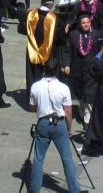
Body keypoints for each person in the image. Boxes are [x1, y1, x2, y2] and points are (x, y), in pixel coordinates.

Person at [28, 58, 81, 193]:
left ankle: (35, 189)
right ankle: (75, 190)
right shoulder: (63, 88)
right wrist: (69, 129)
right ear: (57, 71)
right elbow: (68, 112)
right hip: (59, 124)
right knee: (67, 158)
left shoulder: (35, 86)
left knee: (39, 158)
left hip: (43, 123)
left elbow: (33, 107)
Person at [18, 0, 65, 103]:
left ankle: (33, 99)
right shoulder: (55, 18)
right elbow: (60, 37)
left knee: (33, 73)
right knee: (48, 73)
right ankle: (47, 100)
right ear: (52, 4)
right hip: (50, 53)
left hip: (32, 50)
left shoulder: (30, 15)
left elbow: (21, 29)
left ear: (41, 2)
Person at [62, 13, 101, 129]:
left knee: (89, 96)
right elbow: (68, 51)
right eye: (84, 23)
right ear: (79, 24)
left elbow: (101, 51)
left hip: (91, 70)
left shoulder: (96, 35)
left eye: (88, 22)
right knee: (80, 96)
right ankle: (83, 114)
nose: (86, 25)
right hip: (78, 69)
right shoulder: (74, 35)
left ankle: (87, 121)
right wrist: (67, 65)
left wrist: (98, 63)